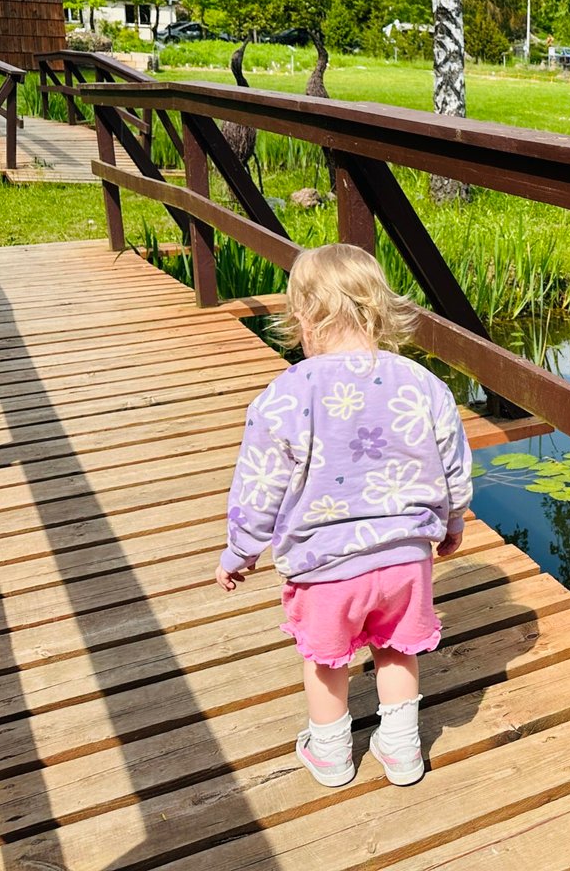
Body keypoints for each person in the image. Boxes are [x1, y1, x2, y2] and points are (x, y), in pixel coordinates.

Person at [214, 243, 472, 789]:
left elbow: (259, 486)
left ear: (303, 317)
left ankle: (331, 754)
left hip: (323, 565)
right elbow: (453, 466)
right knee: (397, 649)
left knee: (327, 660)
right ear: (378, 309)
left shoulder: (285, 395)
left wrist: (241, 551)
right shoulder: (423, 384)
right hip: (405, 559)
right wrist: (452, 523)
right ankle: (402, 751)